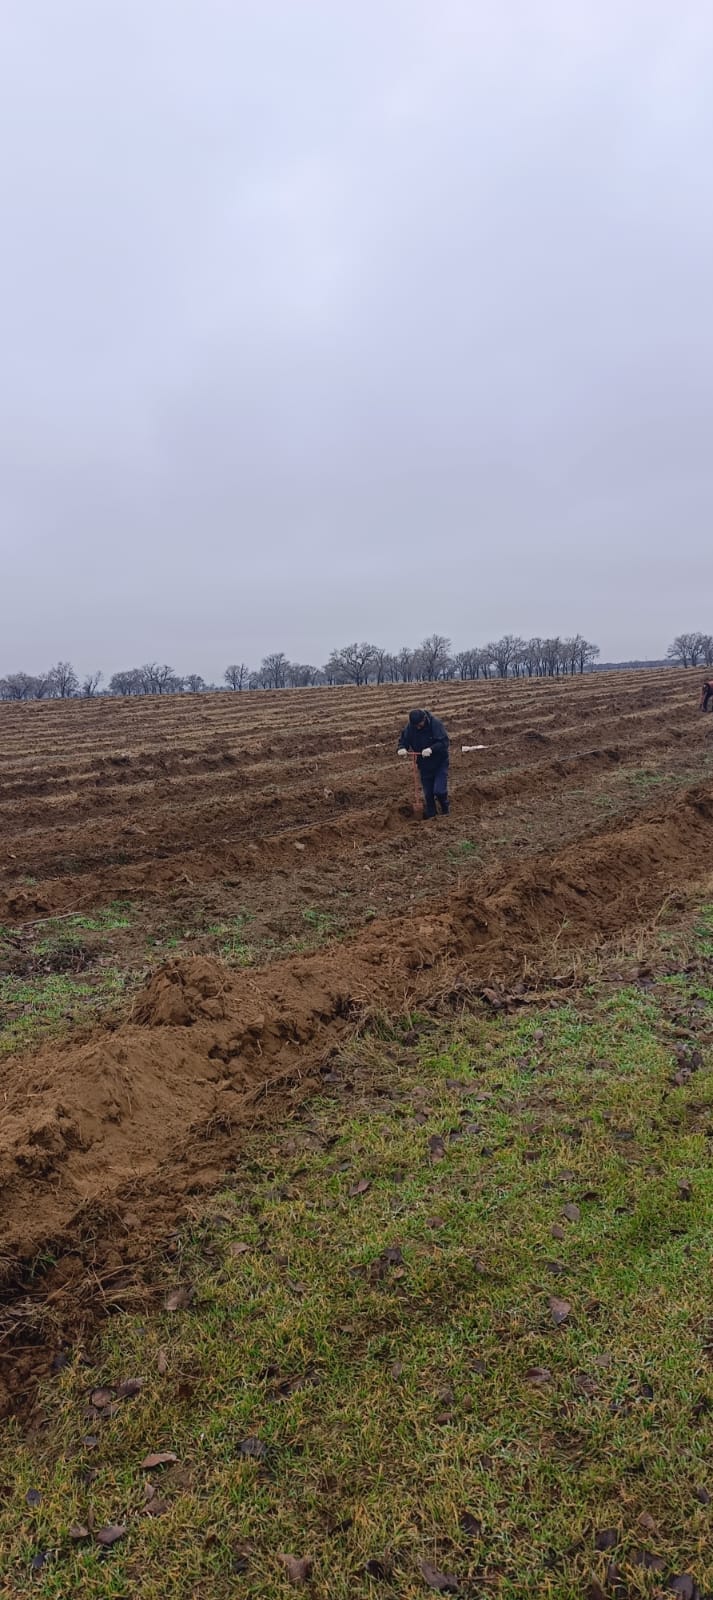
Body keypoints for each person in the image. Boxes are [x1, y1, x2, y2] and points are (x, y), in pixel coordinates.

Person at [398, 708, 450, 818]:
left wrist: (431, 749)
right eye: (415, 725)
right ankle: (431, 816)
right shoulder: (410, 727)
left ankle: (445, 809)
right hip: (424, 764)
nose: (418, 727)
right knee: (428, 795)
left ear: (424, 719)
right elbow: (404, 740)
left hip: (439, 762)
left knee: (439, 791)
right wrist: (402, 748)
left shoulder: (435, 724)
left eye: (419, 724)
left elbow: (444, 742)